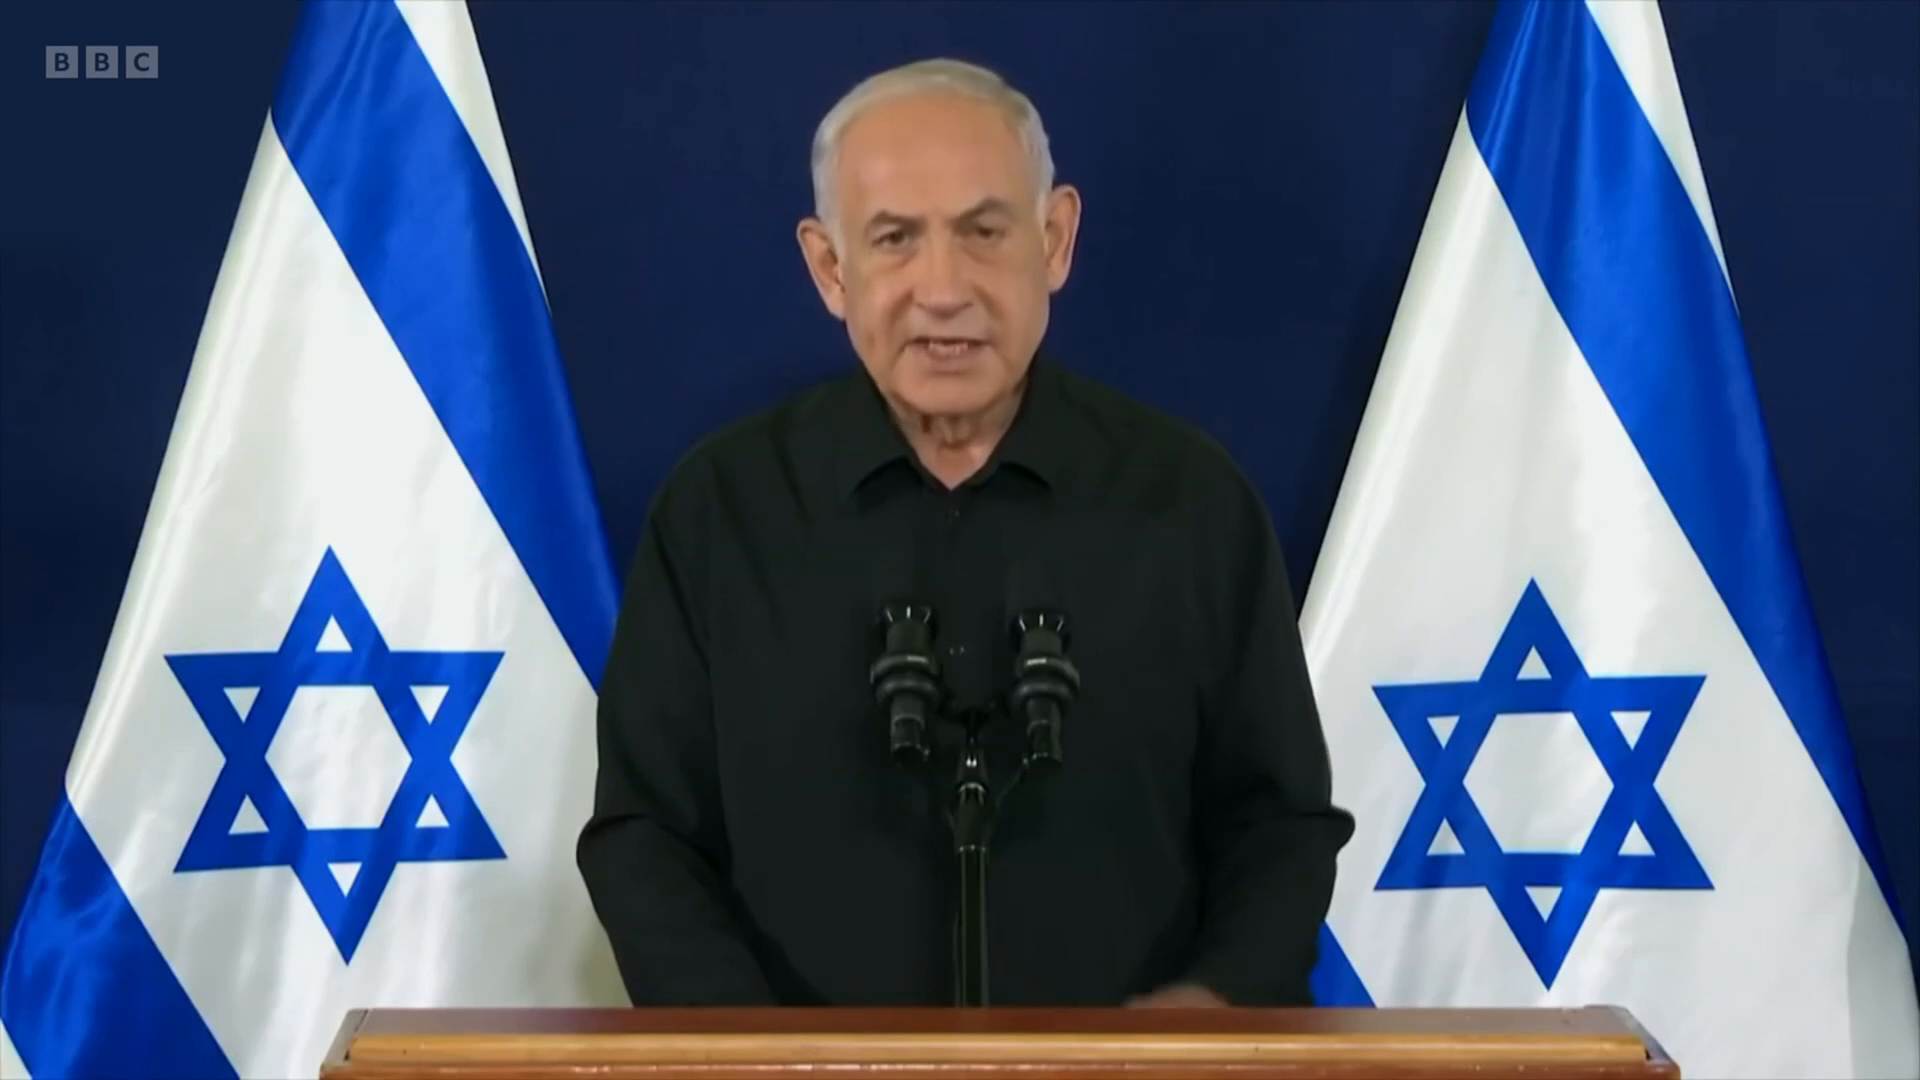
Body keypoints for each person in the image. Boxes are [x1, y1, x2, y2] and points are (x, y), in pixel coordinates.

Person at [576, 57, 1355, 1009]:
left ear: (1055, 241)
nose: (943, 290)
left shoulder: (1190, 503)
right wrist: (754, 1053)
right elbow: (645, 838)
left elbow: (1280, 828)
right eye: (895, 239)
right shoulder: (722, 511)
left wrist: (1208, 1013)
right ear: (830, 268)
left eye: (984, 233)